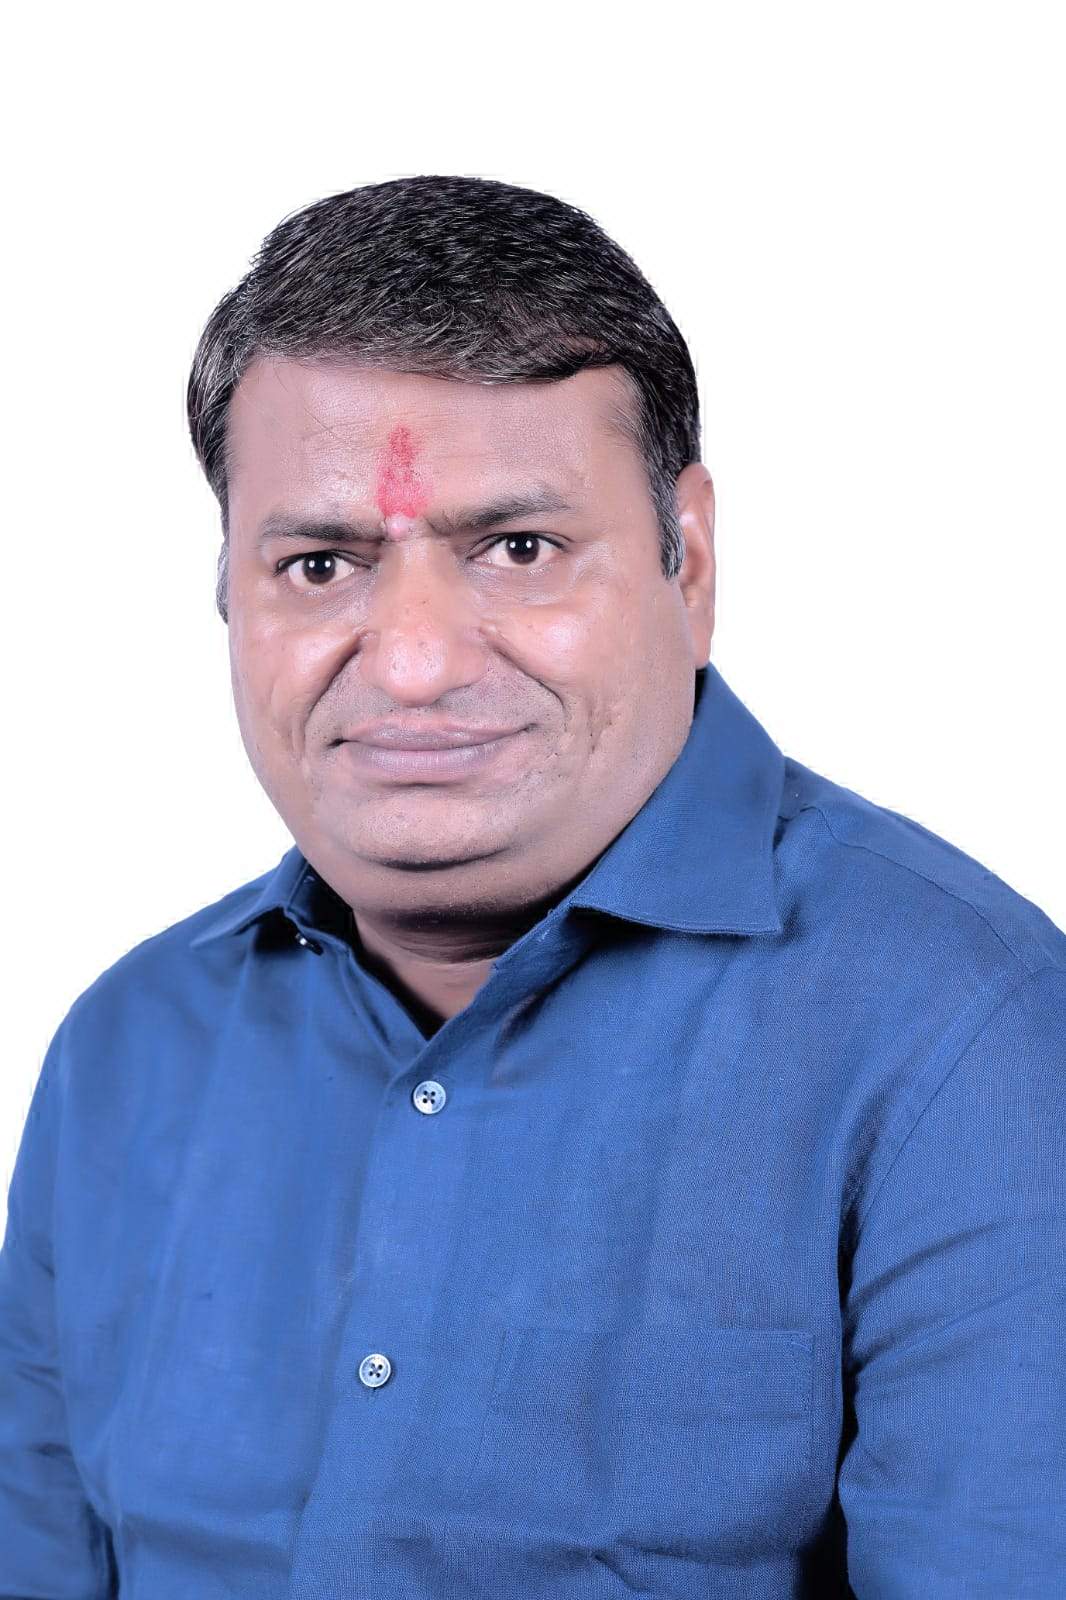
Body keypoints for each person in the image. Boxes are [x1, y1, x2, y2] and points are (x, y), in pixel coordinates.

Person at [1, 173, 1063, 1600]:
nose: (413, 662)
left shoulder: (967, 1039)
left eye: (517, 550)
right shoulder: (127, 1050)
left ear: (690, 564)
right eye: (320, 563)